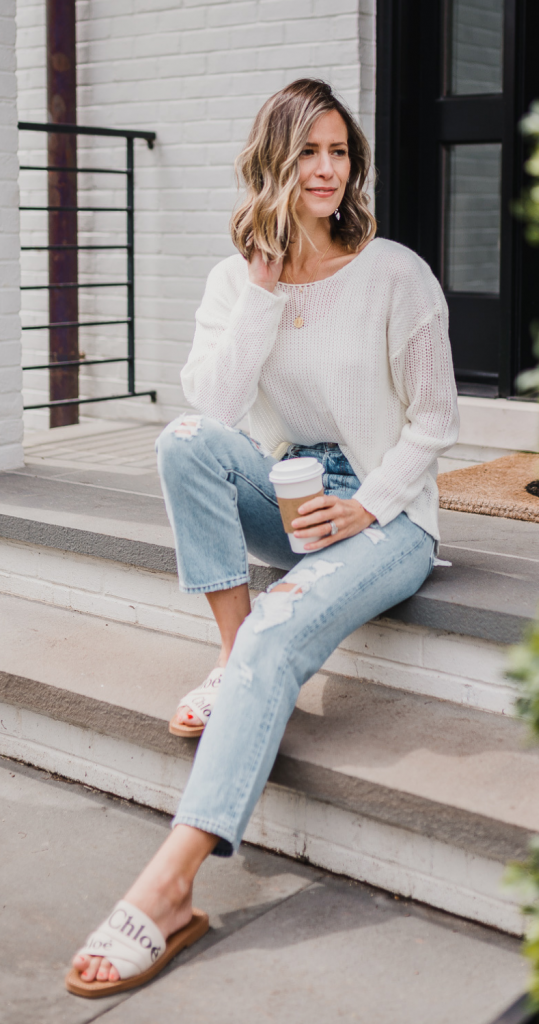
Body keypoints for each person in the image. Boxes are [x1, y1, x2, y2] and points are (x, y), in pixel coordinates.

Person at [66, 78, 459, 997]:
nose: (328, 170)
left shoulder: (395, 272)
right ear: (272, 161)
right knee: (185, 443)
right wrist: (261, 285)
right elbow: (217, 407)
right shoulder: (235, 279)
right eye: (309, 152)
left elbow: (437, 423)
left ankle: (168, 888)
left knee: (284, 630)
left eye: (340, 152)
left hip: (389, 519)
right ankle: (232, 656)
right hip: (291, 502)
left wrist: (367, 506)